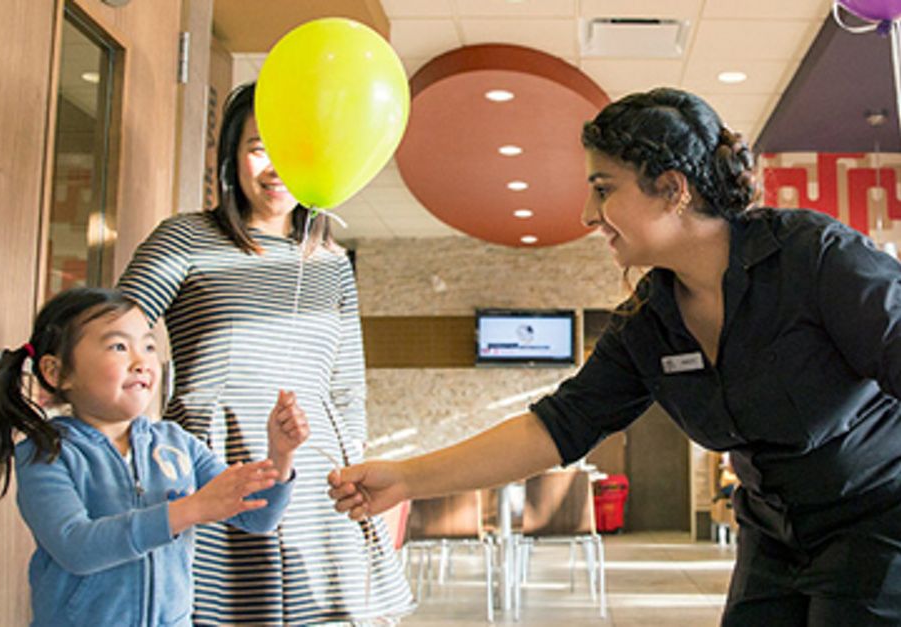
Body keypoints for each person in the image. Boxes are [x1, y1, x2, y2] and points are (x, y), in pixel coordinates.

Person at [329, 87, 901, 625]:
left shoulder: (815, 259)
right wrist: (405, 478)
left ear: (674, 189)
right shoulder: (650, 321)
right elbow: (554, 428)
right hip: (774, 531)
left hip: (878, 522)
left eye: (603, 188)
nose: (586, 214)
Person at [118, 82, 412, 624]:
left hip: (316, 467)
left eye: (293, 149)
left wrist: (353, 469)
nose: (276, 167)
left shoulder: (331, 261)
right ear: (232, 154)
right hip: (210, 458)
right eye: (259, 147)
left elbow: (346, 387)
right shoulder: (184, 239)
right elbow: (112, 331)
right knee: (217, 611)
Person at [0, 287, 308, 627]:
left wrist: (280, 455)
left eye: (148, 346)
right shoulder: (46, 453)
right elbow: (76, 546)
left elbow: (258, 516)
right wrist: (189, 509)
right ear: (57, 372)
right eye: (119, 346)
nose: (141, 361)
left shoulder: (177, 443)